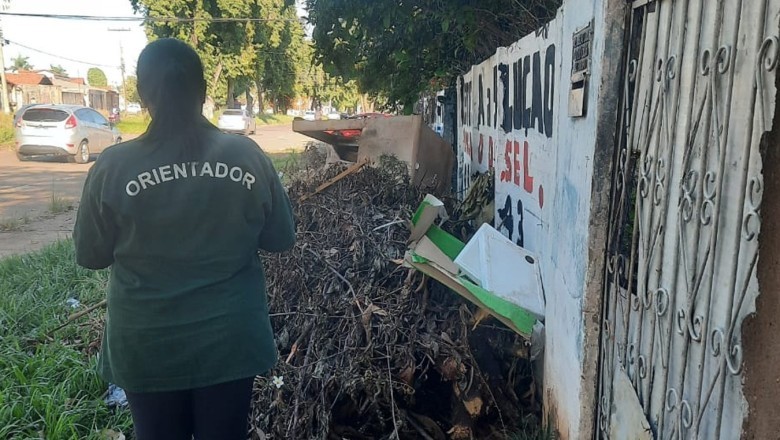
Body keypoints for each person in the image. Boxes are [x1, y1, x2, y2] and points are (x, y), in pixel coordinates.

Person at [73, 38, 295, 440]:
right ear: (204, 90)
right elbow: (280, 238)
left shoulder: (113, 167)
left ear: (142, 94)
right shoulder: (248, 157)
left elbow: (91, 255)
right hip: (230, 342)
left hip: (147, 345)